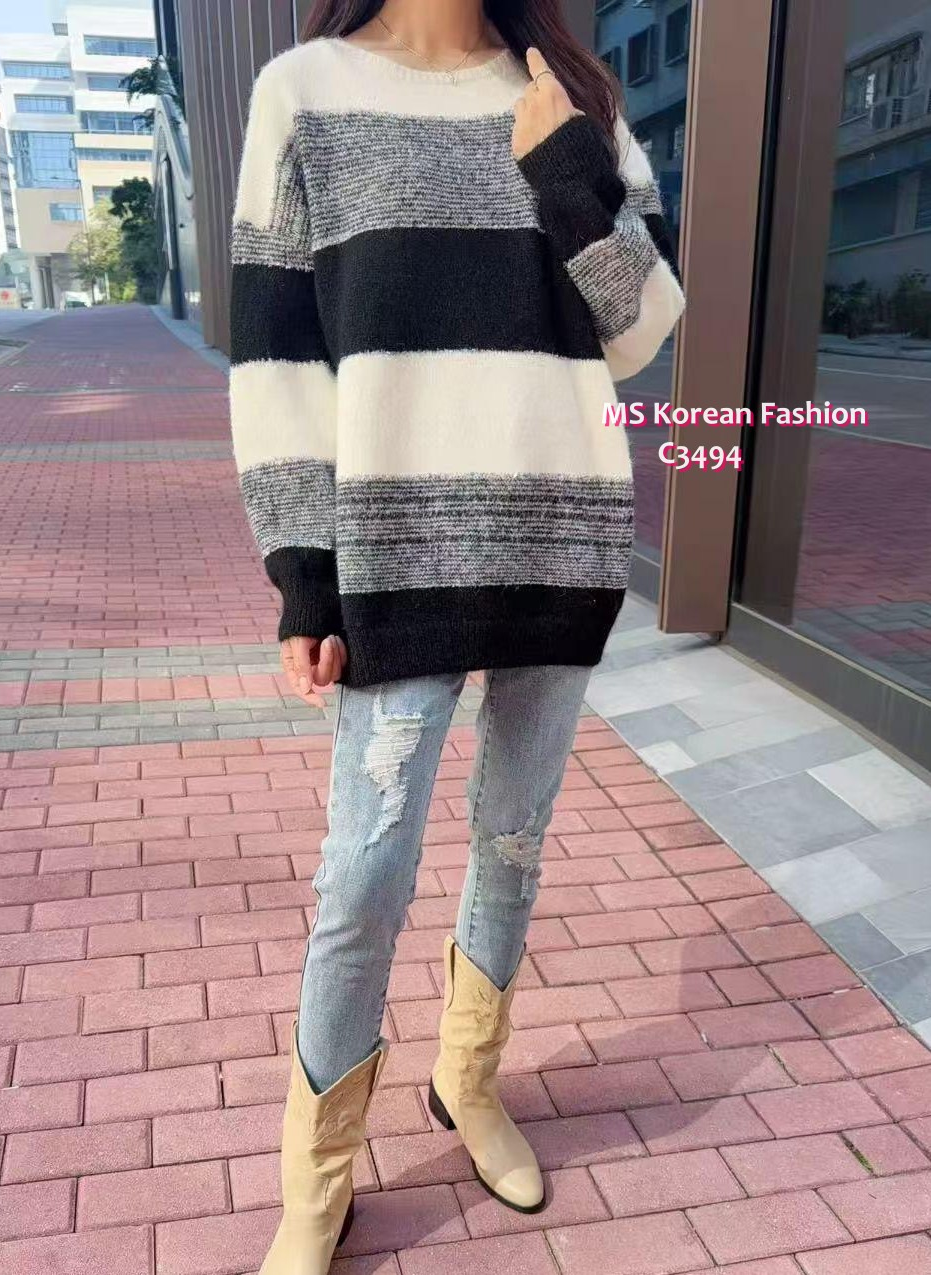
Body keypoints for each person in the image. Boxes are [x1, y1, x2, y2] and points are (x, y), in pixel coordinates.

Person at [229, 1, 684, 1270]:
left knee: (511, 843)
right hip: (393, 545)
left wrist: (564, 170)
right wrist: (303, 574)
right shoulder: (304, 92)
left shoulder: (576, 100)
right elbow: (275, 355)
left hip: (557, 528)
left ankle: (466, 1082)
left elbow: (643, 333)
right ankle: (316, 1179)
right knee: (363, 874)